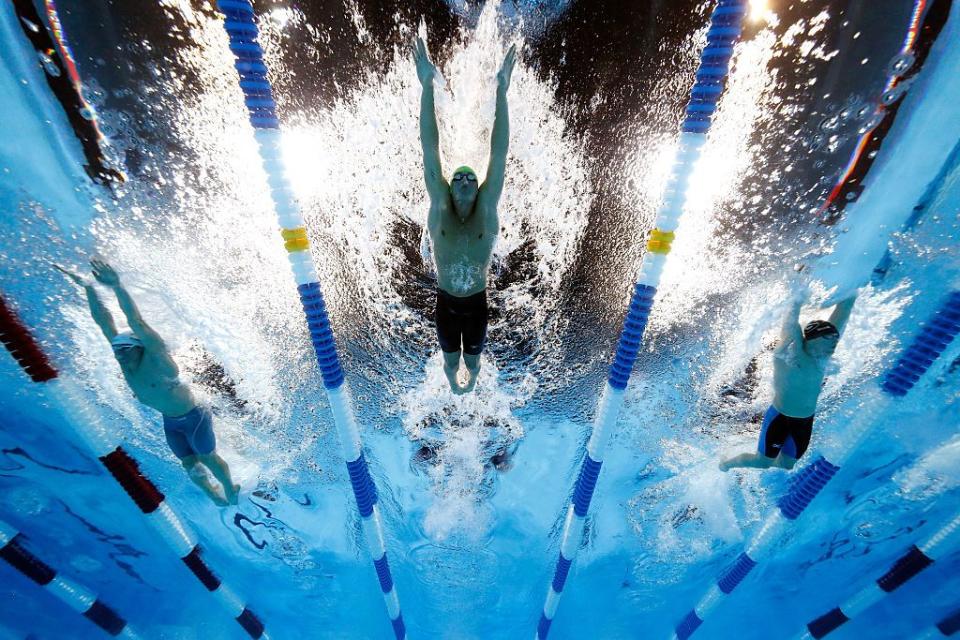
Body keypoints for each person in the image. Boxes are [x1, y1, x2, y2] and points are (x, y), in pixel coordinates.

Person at [56, 259, 239, 505]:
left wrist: (117, 286)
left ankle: (229, 488)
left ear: (138, 347)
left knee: (207, 458)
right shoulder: (125, 362)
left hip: (193, 415)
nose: (118, 353)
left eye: (124, 349)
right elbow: (103, 322)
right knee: (188, 464)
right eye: (117, 349)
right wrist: (89, 288)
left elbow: (136, 322)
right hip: (171, 422)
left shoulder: (156, 358)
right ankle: (213, 494)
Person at [413, 36, 516, 394]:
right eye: (458, 177)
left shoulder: (486, 208)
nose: (465, 180)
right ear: (449, 185)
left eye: (471, 177)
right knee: (449, 361)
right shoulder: (438, 205)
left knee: (470, 364)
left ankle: (471, 379)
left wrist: (501, 89)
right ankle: (452, 378)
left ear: (478, 187)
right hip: (444, 302)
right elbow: (430, 146)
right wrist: (427, 84)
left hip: (476, 304)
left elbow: (498, 152)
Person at [719, 293, 857, 471]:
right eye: (829, 338)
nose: (834, 342)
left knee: (787, 465)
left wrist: (854, 288)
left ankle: (765, 454)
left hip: (805, 420)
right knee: (763, 463)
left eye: (835, 338)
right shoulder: (792, 355)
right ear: (814, 340)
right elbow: (790, 323)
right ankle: (727, 463)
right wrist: (799, 292)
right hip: (780, 417)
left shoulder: (822, 358)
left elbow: (843, 312)